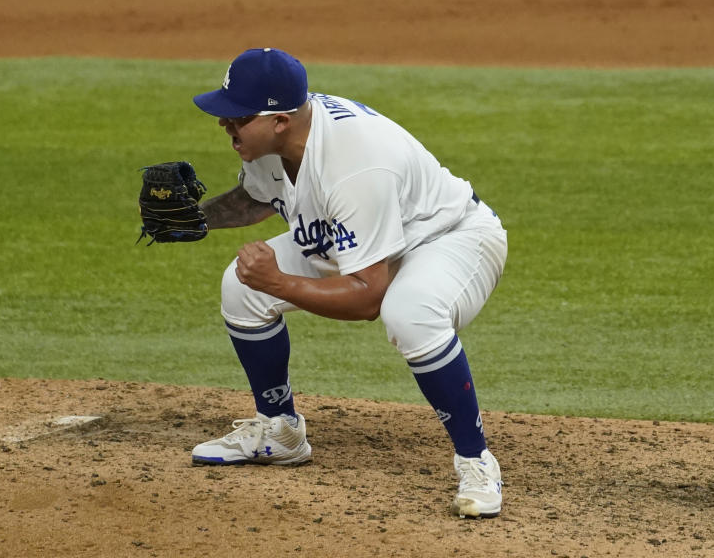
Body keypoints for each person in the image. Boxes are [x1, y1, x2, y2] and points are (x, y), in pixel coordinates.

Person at [189, 47, 508, 519]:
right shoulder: (274, 141)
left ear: (279, 120)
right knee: (241, 285)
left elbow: (367, 298)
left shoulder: (355, 163)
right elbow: (259, 198)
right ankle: (279, 431)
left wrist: (278, 281)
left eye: (238, 117)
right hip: (365, 231)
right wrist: (195, 220)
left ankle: (476, 460)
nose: (226, 125)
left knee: (410, 313)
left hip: (447, 238)